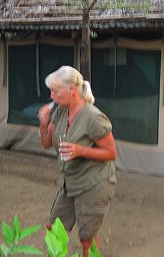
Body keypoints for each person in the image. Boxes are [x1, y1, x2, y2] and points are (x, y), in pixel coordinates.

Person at [38, 66, 117, 257]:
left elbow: (111, 153)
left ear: (72, 89)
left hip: (93, 183)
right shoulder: (60, 112)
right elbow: (47, 143)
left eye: (55, 91)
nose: (51, 96)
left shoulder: (94, 117)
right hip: (70, 182)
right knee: (53, 228)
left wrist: (80, 150)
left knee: (87, 238)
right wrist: (43, 123)